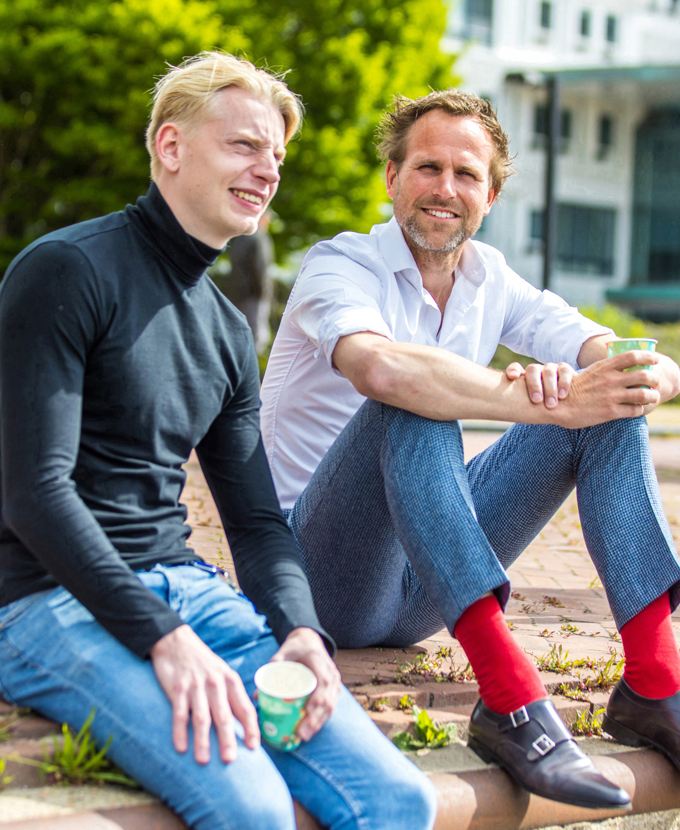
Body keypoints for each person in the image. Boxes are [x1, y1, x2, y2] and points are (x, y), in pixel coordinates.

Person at [0, 53, 438, 830]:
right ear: (170, 147)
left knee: (399, 800)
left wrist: (302, 632)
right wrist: (163, 638)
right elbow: (34, 491)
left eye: (276, 154)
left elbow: (259, 522)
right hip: (43, 600)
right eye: (244, 146)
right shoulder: (64, 271)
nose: (267, 169)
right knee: (253, 808)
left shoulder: (228, 331)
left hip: (185, 589)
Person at [261, 89, 680, 810]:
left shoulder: (491, 278)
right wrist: (522, 393)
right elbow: (381, 370)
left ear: (490, 194)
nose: (444, 189)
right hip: (318, 575)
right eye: (427, 167)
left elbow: (635, 361)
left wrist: (635, 374)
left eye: (466, 174)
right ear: (391, 177)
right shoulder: (341, 266)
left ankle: (655, 685)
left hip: (423, 588)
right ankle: (509, 699)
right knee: (412, 394)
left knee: (605, 400)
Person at [222, 210, 275, 355]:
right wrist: (264, 295)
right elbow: (260, 268)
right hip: (254, 296)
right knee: (255, 339)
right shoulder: (259, 237)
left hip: (237, 295)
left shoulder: (238, 238)